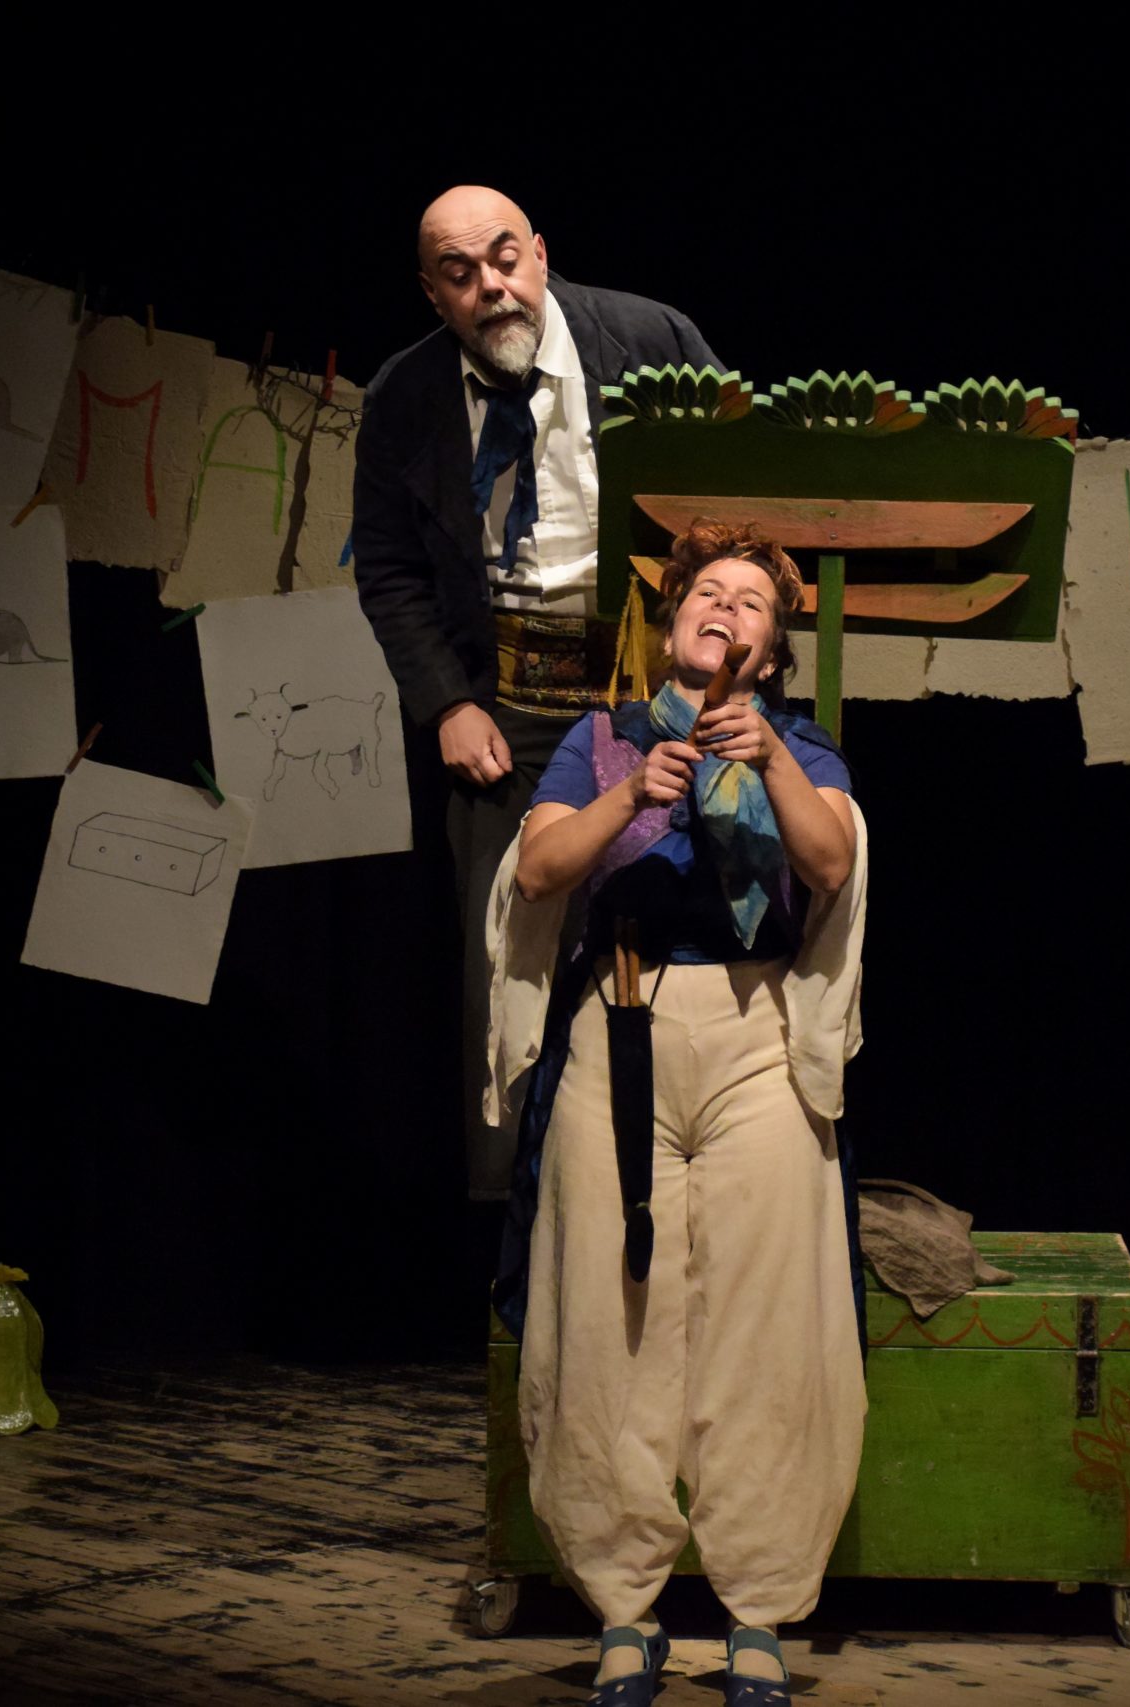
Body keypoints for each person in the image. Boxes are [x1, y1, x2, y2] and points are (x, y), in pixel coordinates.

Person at [485, 521, 870, 1706]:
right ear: (671, 623)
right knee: (611, 1323)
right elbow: (538, 871)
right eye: (707, 592)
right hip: (622, 1030)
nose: (725, 609)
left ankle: (757, 1611)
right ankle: (624, 1609)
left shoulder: (803, 742)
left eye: (752, 601)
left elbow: (829, 864)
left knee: (766, 1324)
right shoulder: (601, 739)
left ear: (775, 647)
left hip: (754, 1038)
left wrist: (770, 757)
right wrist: (629, 794)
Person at [352, 185, 724, 1200]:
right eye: (461, 273)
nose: (492, 287)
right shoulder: (404, 397)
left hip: (653, 673)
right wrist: (446, 702)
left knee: (681, 919)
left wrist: (706, 649)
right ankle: (520, 1221)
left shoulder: (650, 341)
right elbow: (387, 569)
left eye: (505, 259)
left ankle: (682, 1179)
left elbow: (737, 497)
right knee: (508, 955)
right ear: (433, 292)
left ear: (541, 254)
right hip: (504, 698)